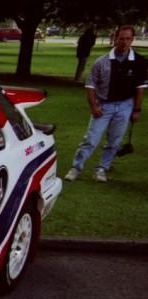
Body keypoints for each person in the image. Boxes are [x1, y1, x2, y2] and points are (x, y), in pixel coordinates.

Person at [65, 25, 147, 182]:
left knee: (115, 141)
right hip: (104, 104)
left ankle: (101, 168)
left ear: (132, 40)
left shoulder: (139, 61)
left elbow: (140, 88)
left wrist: (137, 110)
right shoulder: (101, 61)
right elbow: (90, 86)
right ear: (115, 38)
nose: (124, 42)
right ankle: (76, 167)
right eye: (121, 38)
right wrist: (93, 106)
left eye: (128, 39)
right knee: (91, 138)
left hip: (125, 105)